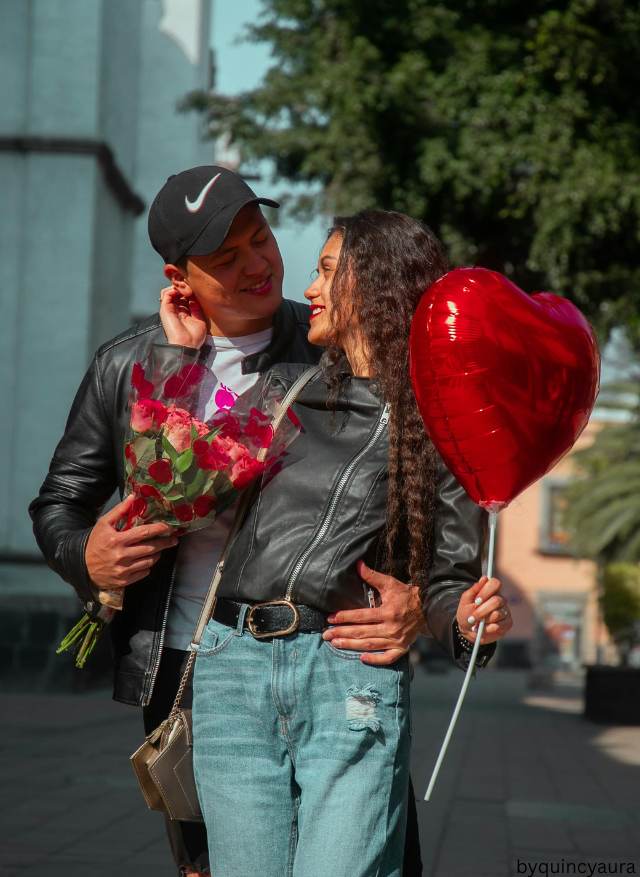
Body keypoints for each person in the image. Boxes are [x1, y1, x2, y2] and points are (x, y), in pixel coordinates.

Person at [28, 167, 440, 877]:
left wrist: (419, 600)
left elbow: (415, 484)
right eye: (227, 258)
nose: (258, 265)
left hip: (327, 658)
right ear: (179, 276)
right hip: (187, 662)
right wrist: (85, 557)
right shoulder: (127, 365)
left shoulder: (331, 341)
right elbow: (58, 501)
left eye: (261, 238)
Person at [159, 209, 514, 876]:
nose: (310, 288)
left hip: (346, 677)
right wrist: (182, 360)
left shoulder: (443, 425)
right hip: (233, 670)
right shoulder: (279, 388)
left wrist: (466, 620)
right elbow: (176, 495)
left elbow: (449, 583)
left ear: (376, 284)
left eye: (326, 270)